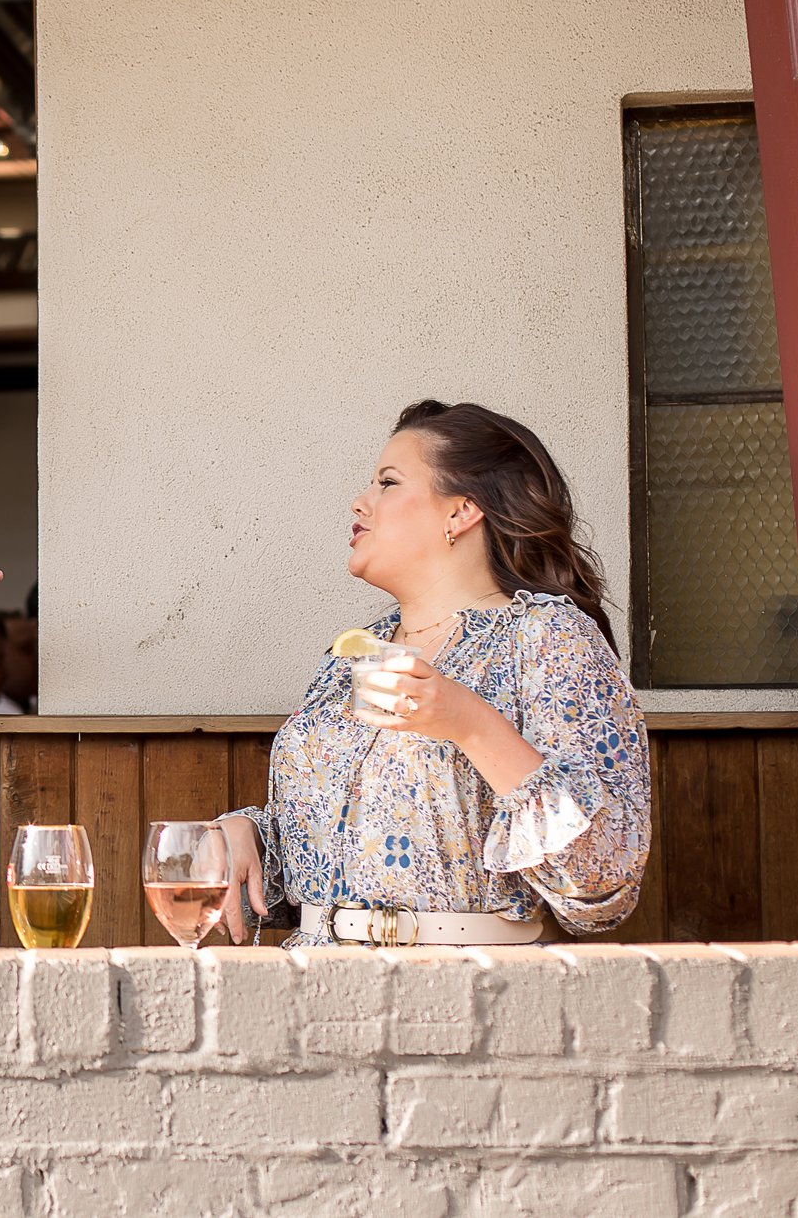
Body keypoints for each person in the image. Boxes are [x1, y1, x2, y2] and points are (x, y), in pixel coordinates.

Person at [219, 400, 650, 947]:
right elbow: (332, 854)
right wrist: (249, 838)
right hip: (319, 989)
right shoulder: (351, 656)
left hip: (472, 991)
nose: (360, 501)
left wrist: (470, 723)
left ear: (461, 512)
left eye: (388, 482)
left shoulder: (548, 638)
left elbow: (603, 879)